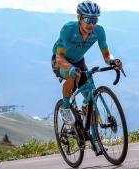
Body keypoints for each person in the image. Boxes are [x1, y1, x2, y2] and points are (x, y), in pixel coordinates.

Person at [51, 0, 122, 155]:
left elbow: (106, 54)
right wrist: (69, 69)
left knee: (91, 99)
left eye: (94, 20)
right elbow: (59, 57)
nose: (91, 24)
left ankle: (96, 141)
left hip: (78, 62)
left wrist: (112, 61)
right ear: (79, 18)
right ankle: (64, 107)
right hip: (61, 62)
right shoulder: (68, 29)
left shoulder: (99, 31)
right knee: (72, 76)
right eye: (88, 19)